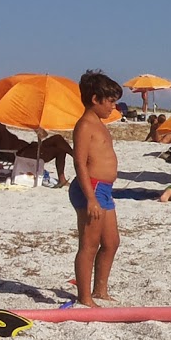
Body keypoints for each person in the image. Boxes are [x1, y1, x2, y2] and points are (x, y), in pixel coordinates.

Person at [71, 70, 123, 306]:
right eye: (110, 101)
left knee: (111, 242)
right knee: (89, 244)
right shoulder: (84, 125)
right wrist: (91, 198)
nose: (113, 106)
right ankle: (84, 297)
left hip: (103, 189)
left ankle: (100, 289)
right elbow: (79, 162)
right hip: (90, 188)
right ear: (95, 99)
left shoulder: (99, 124)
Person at [0, 118, 73, 185]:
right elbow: (9, 147)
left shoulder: (0, 131)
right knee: (60, 147)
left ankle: (74, 159)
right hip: (23, 154)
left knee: (57, 138)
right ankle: (74, 160)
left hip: (28, 149)